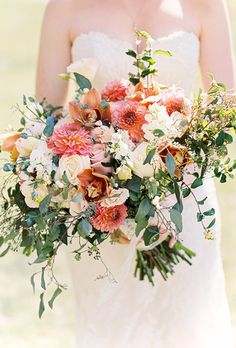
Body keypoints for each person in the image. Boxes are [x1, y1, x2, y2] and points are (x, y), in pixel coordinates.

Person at [36, 1, 236, 347]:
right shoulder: (64, 8)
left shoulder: (205, 5)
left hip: (185, 203)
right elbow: (47, 119)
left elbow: (227, 106)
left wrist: (166, 163)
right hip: (101, 207)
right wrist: (93, 165)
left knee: (188, 323)